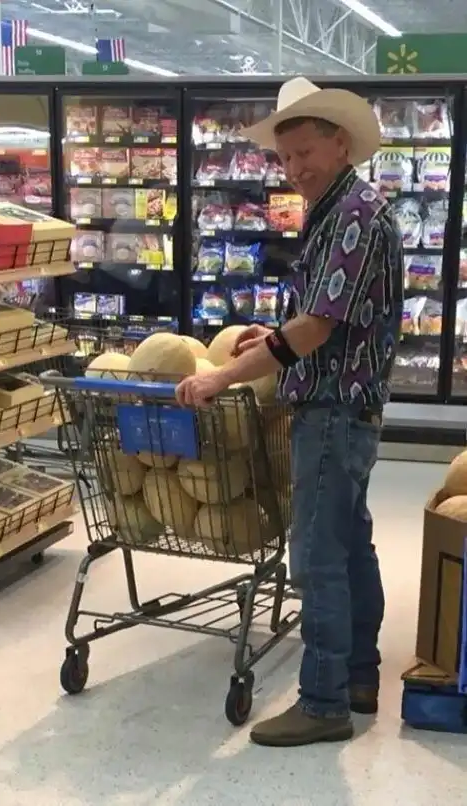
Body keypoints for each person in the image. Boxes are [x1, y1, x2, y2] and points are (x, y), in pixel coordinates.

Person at [175, 77, 403, 747]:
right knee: (350, 545)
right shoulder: (336, 208)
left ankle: (324, 702)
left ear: (340, 144)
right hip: (346, 407)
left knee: (316, 558)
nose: (295, 168)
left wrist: (223, 374)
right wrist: (269, 336)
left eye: (305, 153)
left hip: (334, 410)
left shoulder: (356, 214)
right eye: (285, 157)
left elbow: (317, 329)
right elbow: (321, 317)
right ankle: (358, 676)